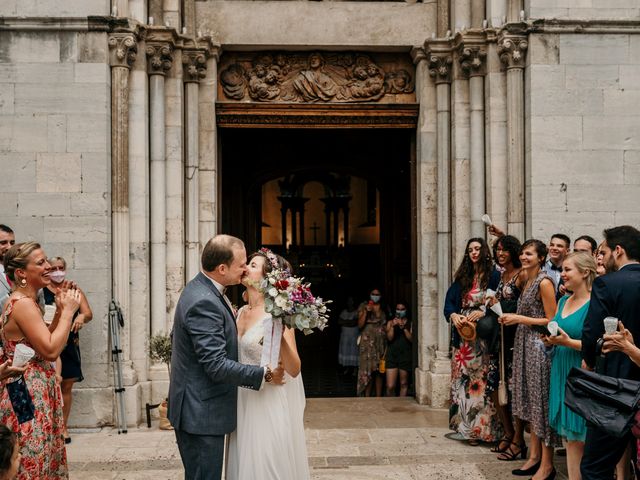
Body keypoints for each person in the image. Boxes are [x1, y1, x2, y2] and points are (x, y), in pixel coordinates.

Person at [168, 235, 285, 480]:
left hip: (200, 408)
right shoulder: (204, 301)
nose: (245, 268)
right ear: (222, 268)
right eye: (241, 264)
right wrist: (263, 374)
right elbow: (215, 365)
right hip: (200, 413)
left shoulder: (205, 290)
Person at [0, 241, 81, 479]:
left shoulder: (25, 301)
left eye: (46, 261)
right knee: (31, 456)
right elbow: (50, 350)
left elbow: (45, 339)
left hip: (32, 389)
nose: (48, 267)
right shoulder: (22, 304)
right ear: (21, 273)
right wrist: (68, 313)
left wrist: (58, 310)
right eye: (41, 263)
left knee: (42, 454)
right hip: (27, 392)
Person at [227, 250, 309, 480]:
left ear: (266, 278)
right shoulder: (239, 312)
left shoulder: (277, 316)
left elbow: (294, 369)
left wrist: (281, 335)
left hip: (267, 402)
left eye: (252, 265)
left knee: (267, 467)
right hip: (241, 400)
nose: (245, 267)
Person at [581, 225, 640, 479]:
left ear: (619, 250)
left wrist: (590, 359)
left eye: (603, 252)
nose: (601, 259)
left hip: (616, 384)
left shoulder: (607, 283)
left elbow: (592, 331)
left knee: (595, 466)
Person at [500, 239, 558, 480]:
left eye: (530, 254)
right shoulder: (527, 279)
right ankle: (533, 457)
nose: (524, 257)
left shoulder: (544, 282)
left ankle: (547, 465)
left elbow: (552, 320)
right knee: (532, 404)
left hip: (538, 347)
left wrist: (519, 319)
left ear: (541, 258)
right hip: (524, 344)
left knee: (541, 404)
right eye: (523, 253)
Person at [544, 252, 596, 480]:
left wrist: (567, 342)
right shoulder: (564, 300)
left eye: (567, 270)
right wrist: (551, 340)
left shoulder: (595, 303)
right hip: (560, 368)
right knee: (571, 439)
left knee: (581, 437)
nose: (562, 274)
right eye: (562, 270)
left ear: (585, 272)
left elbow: (597, 344)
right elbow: (555, 328)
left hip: (581, 370)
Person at [444, 238, 501, 445]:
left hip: (483, 339)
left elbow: (498, 301)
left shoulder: (494, 275)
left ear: (485, 251)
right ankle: (468, 431)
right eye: (470, 250)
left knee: (482, 382)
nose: (474, 253)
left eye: (477, 249)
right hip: (463, 338)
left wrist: (483, 310)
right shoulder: (463, 277)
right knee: (463, 382)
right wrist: (454, 316)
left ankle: (486, 431)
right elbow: (449, 304)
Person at [42, 257, 92, 444]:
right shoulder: (41, 291)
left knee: (67, 385)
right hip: (47, 338)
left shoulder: (74, 290)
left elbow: (88, 313)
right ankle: (49, 425)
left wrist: (81, 318)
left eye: (60, 268)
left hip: (68, 342)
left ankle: (63, 426)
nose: (57, 271)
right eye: (53, 268)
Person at [487, 235, 526, 461]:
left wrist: (500, 305)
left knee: (515, 389)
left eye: (504, 250)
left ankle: (519, 439)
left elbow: (523, 304)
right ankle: (508, 431)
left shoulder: (521, 275)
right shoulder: (502, 275)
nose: (500, 253)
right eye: (497, 250)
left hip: (515, 338)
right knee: (494, 385)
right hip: (499, 338)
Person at [357, 288, 387, 397]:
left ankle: (378, 397)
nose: (375, 296)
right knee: (367, 370)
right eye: (373, 294)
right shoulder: (363, 306)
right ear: (369, 295)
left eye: (377, 294)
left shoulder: (384, 307)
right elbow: (360, 325)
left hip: (380, 343)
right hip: (367, 343)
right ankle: (367, 397)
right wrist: (366, 311)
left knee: (379, 371)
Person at [384, 302, 412, 397]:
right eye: (398, 309)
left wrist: (404, 328)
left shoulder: (410, 322)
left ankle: (401, 406)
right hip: (392, 355)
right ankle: (390, 406)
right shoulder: (390, 322)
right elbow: (389, 338)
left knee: (404, 384)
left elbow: (412, 339)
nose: (400, 311)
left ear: (406, 310)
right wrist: (392, 326)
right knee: (390, 386)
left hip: (405, 355)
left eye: (402, 309)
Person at [337, 297, 359, 376]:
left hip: (354, 336)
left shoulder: (357, 312)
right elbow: (339, 321)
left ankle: (355, 369)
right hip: (345, 337)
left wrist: (345, 322)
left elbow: (354, 323)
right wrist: (349, 322)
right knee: (346, 352)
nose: (350, 302)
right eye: (348, 301)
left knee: (354, 352)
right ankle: (346, 368)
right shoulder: (344, 312)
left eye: (351, 301)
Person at [0, 226, 16, 312]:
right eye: (3, 243)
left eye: (12, 243)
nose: (9, 247)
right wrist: (14, 293)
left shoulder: (22, 269)